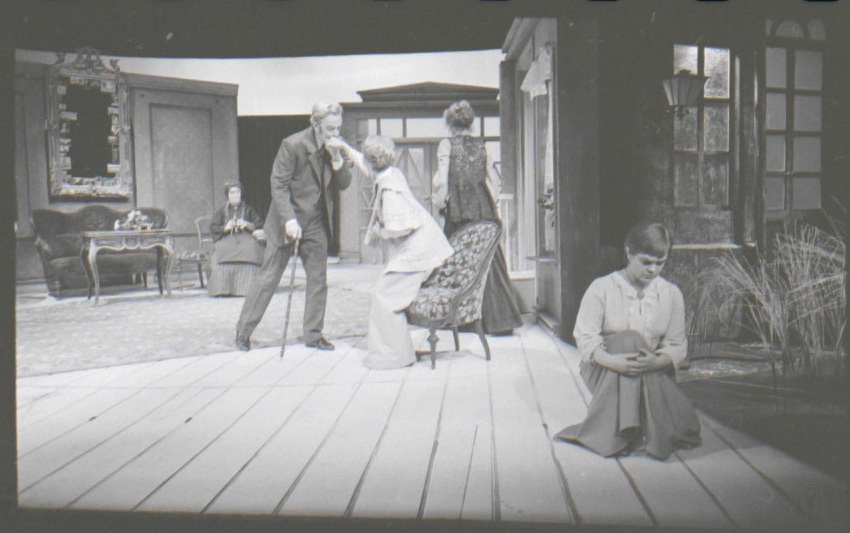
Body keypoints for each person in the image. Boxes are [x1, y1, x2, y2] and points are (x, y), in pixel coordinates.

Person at [554, 222, 701, 460]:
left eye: (660, 263)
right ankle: (637, 432)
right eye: (646, 262)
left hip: (649, 370)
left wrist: (654, 363)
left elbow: (676, 346)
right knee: (629, 339)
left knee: (684, 419)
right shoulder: (602, 287)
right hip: (604, 369)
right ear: (629, 252)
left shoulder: (671, 294)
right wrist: (614, 362)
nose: (653, 270)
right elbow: (586, 338)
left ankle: (624, 434)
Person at [235, 101, 367, 352]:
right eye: (330, 129)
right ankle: (243, 331)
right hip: (288, 220)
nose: (335, 134)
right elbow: (278, 184)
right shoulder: (292, 144)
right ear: (316, 124)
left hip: (316, 223)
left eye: (338, 128)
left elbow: (344, 183)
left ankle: (313, 335)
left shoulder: (335, 146)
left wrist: (337, 159)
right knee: (268, 279)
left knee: (318, 280)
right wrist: (289, 220)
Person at [362, 135, 454, 369]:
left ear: (369, 162)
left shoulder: (389, 190)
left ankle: (393, 356)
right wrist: (344, 148)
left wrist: (380, 232)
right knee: (384, 294)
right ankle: (397, 352)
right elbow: (365, 165)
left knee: (384, 297)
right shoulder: (393, 174)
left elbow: (402, 228)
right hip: (424, 248)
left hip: (417, 254)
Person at [432, 100, 522, 335]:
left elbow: (443, 181)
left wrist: (439, 203)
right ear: (470, 124)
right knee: (489, 260)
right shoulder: (483, 145)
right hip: (484, 208)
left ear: (450, 125)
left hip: (459, 209)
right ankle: (501, 321)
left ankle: (459, 319)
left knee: (457, 260)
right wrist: (490, 204)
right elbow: (495, 180)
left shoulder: (446, 145)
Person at [207, 181, 267, 297]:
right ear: (227, 195)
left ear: (241, 194)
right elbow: (214, 227)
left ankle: (248, 289)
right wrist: (225, 227)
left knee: (252, 249)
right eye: (232, 193)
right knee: (221, 251)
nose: (235, 195)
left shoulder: (248, 209)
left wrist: (247, 224)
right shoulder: (222, 210)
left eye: (237, 192)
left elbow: (259, 224)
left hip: (245, 237)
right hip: (228, 238)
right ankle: (222, 289)